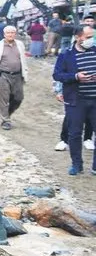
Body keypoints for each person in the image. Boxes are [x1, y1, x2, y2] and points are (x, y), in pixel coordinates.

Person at [53, 25, 96, 174]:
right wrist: (76, 77)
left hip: (95, 100)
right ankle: (77, 165)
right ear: (78, 37)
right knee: (75, 133)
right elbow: (57, 75)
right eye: (88, 37)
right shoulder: (66, 55)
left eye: (92, 37)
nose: (91, 40)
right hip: (76, 101)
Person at [0, 25, 28, 130]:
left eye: (12, 32)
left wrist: (25, 73)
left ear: (15, 34)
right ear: (4, 34)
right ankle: (6, 120)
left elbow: (23, 60)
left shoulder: (20, 44)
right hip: (3, 75)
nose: (10, 34)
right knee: (4, 98)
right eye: (8, 33)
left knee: (18, 98)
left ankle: (7, 113)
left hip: (17, 75)